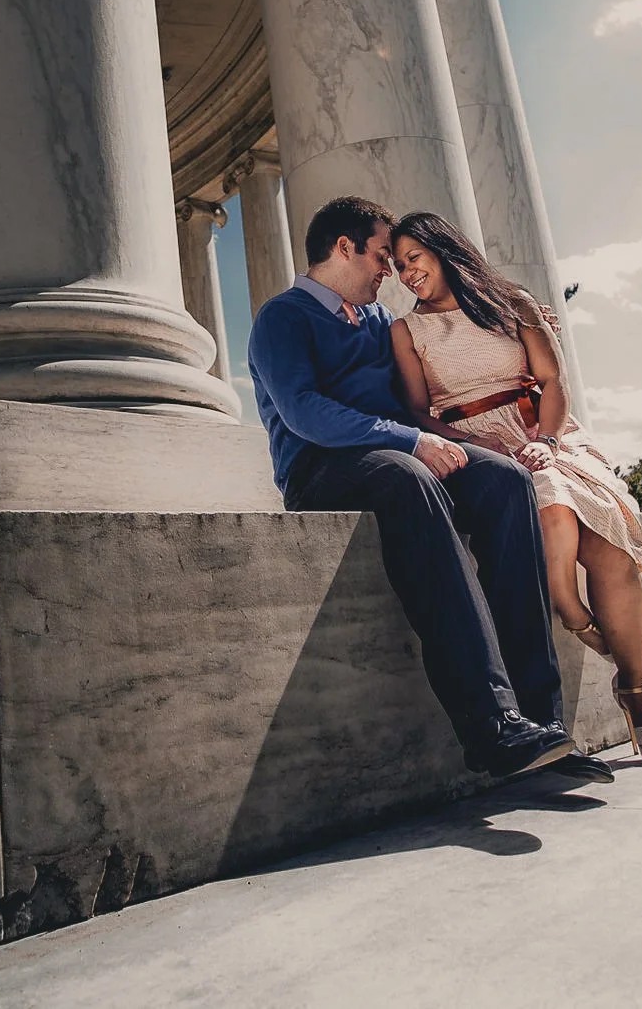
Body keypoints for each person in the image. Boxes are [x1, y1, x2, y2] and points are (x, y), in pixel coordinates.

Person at [248, 194, 610, 782]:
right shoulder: (282, 318)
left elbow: (433, 374)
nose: (390, 272)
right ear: (345, 249)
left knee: (505, 480)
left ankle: (541, 725)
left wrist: (515, 327)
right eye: (382, 257)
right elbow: (305, 413)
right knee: (410, 476)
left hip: (396, 457)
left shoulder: (377, 324)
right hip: (322, 469)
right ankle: (490, 725)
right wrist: (412, 441)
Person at [389, 211, 642, 766]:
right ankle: (569, 606)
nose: (406, 274)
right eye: (398, 266)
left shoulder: (512, 304)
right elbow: (417, 412)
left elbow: (552, 380)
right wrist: (479, 447)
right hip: (476, 443)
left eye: (413, 260)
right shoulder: (406, 330)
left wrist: (546, 438)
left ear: (442, 250)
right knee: (550, 507)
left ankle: (638, 698)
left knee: (611, 546)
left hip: (542, 430)